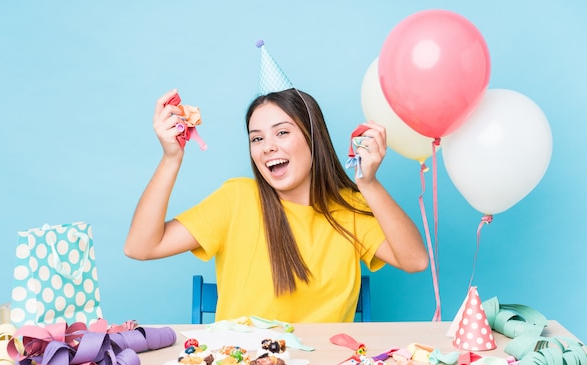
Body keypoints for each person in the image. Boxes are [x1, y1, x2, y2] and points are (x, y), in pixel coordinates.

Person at [124, 87, 428, 322]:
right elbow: (140, 247)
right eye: (256, 138)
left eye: (282, 132)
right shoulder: (237, 199)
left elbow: (415, 261)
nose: (268, 146)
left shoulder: (347, 209)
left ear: (313, 138)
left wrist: (369, 183)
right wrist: (171, 158)